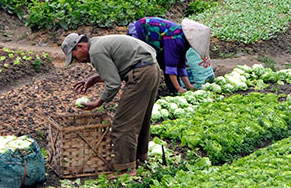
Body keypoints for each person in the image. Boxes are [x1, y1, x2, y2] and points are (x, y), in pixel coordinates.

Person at [63, 33, 162, 176]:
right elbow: (121, 66)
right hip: (151, 68)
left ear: (80, 46)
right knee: (141, 119)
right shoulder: (99, 43)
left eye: (74, 56)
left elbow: (113, 84)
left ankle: (125, 169)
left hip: (141, 73)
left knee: (122, 123)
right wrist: (96, 79)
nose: (77, 61)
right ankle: (140, 157)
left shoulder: (95, 51)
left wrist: (99, 102)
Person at [126, 17, 212, 94]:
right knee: (144, 66)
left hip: (157, 40)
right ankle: (140, 90)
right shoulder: (175, 39)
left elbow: (181, 64)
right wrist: (179, 88)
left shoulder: (183, 41)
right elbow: (171, 65)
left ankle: (173, 89)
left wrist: (188, 85)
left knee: (168, 63)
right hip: (141, 32)